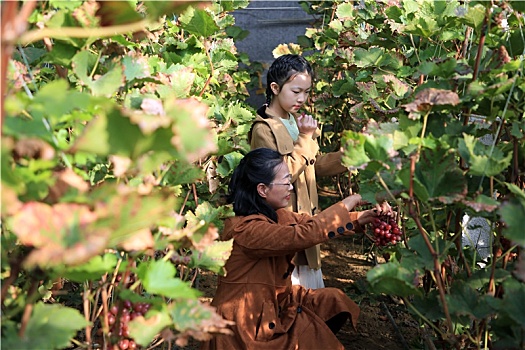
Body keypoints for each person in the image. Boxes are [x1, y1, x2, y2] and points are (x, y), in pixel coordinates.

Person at [201, 148, 391, 350]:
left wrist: (362, 217)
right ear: (262, 190)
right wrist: (349, 201)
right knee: (315, 336)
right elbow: (303, 235)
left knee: (333, 300)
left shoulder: (277, 216)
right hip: (245, 324)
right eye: (285, 182)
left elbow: (312, 224)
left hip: (273, 305)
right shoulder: (246, 230)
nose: (290, 187)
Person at [249, 54, 348, 289]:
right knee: (288, 292)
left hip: (306, 220)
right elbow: (279, 177)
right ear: (275, 88)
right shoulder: (263, 129)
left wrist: (349, 156)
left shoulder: (296, 121)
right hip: (284, 225)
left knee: (308, 296)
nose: (302, 98)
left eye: (306, 92)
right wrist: (305, 138)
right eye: (296, 91)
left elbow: (313, 166)